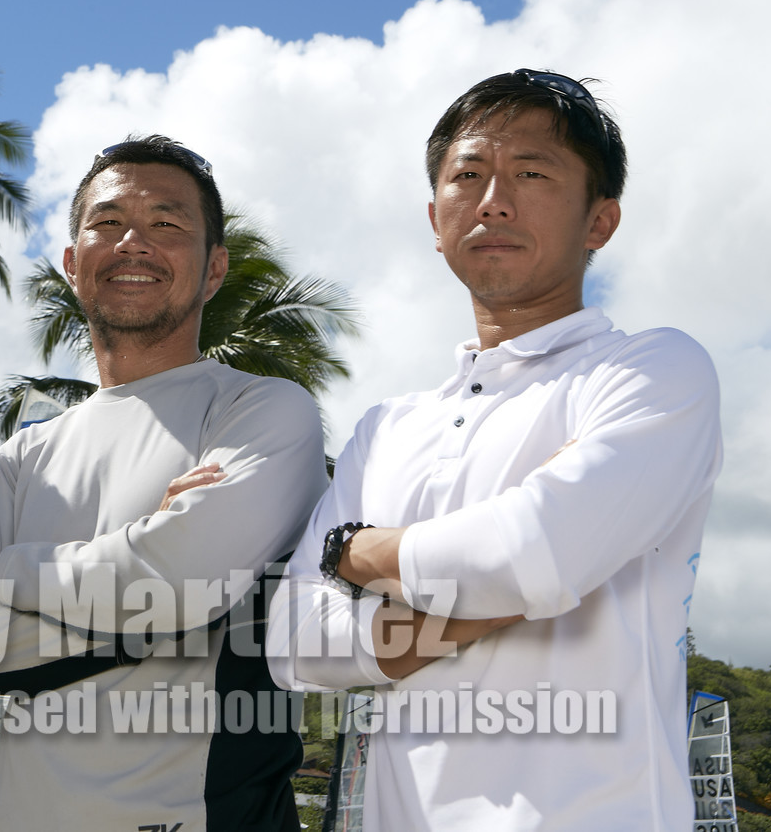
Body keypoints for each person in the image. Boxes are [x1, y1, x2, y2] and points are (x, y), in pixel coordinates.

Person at [265, 70, 723, 829]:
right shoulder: (387, 427)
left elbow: (530, 554)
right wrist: (507, 589)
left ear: (600, 220)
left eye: (532, 173)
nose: (493, 200)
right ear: (436, 217)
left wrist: (354, 552)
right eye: (468, 175)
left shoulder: (654, 370)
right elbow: (293, 644)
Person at [0, 136, 328, 830]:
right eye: (108, 224)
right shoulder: (27, 455)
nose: (134, 242)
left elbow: (176, 581)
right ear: (75, 264)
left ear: (214, 268)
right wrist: (150, 573)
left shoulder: (262, 410)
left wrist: (12, 573)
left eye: (167, 225)